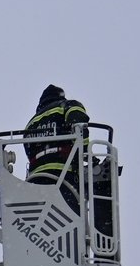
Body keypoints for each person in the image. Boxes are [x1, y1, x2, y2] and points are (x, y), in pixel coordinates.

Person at [23, 83, 90, 214]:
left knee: (41, 217)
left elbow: (29, 152)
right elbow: (80, 126)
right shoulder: (67, 105)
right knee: (69, 217)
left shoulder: (30, 124)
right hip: (64, 175)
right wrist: (86, 152)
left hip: (35, 180)